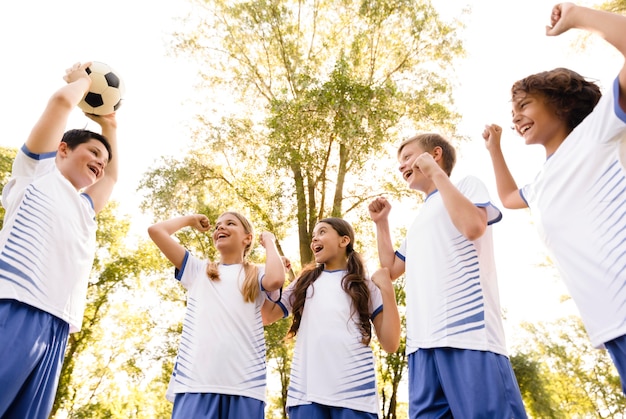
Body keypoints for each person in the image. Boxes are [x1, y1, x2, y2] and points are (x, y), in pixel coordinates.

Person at [482, 2, 626, 392]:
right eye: (512, 111)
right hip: (611, 325)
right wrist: (495, 148)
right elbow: (510, 196)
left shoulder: (596, 133)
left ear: (561, 104)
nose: (515, 117)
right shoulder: (544, 181)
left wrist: (578, 18)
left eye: (524, 104)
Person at [369, 133, 527, 418]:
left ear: (435, 154)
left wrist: (436, 174)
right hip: (422, 345)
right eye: (399, 161)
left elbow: (473, 227)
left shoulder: (466, 186)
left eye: (407, 156)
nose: (401, 165)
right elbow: (390, 269)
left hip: (467, 335)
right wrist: (382, 224)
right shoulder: (420, 220)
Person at [0, 62, 118, 419]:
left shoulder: (85, 206)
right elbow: (60, 105)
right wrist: (82, 80)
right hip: (17, 305)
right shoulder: (38, 171)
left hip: (58, 326)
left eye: (103, 158)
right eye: (93, 153)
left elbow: (111, 178)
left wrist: (110, 125)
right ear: (63, 149)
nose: (100, 163)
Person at [148, 212, 285, 418]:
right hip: (195, 383)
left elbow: (275, 280)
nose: (220, 228)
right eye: (218, 226)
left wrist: (270, 242)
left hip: (245, 387)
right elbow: (156, 231)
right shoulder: (197, 270)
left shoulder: (256, 273)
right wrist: (190, 220)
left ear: (247, 238)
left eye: (230, 223)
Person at [262, 217, 401, 419]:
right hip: (306, 394)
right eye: (313, 236)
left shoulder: (365, 284)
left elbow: (390, 343)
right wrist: (274, 265)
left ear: (344, 240)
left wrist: (387, 289)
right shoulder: (304, 281)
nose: (315, 239)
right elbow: (267, 315)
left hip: (354, 396)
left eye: (322, 232)